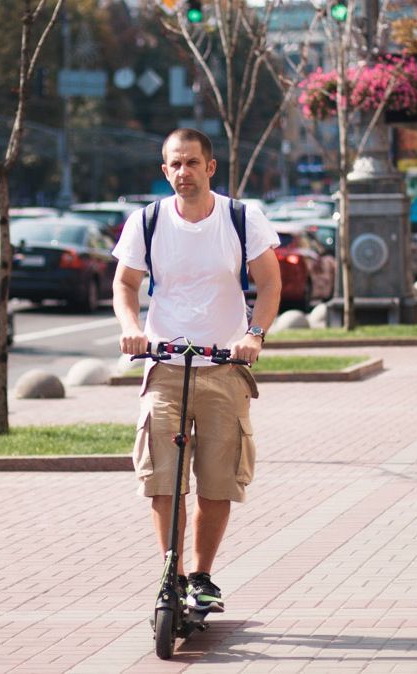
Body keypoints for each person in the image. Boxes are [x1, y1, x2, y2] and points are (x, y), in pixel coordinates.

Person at [111, 128, 281, 615]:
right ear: (164, 171)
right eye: (174, 165)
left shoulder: (240, 217)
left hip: (224, 368)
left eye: (191, 163)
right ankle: (173, 572)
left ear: (211, 167)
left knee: (217, 479)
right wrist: (131, 325)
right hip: (164, 366)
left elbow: (270, 283)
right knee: (162, 479)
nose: (182, 173)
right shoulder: (146, 222)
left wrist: (254, 335)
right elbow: (125, 284)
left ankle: (202, 576)